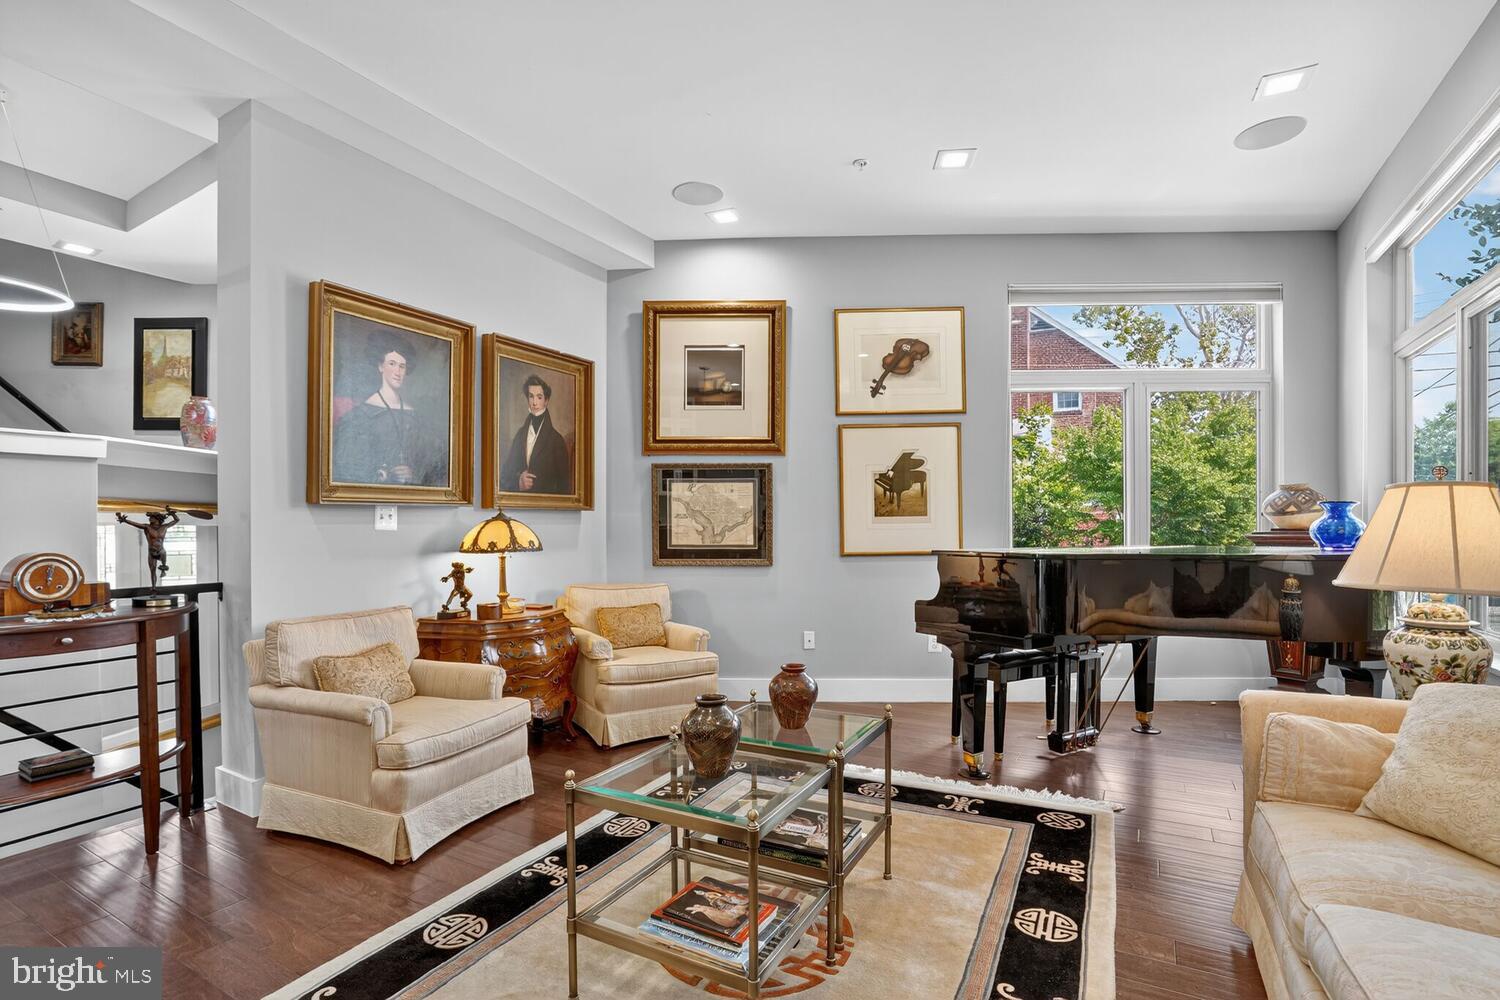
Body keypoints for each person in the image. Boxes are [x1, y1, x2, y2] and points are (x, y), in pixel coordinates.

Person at [332, 336, 443, 486]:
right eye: (392, 364)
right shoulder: (360, 414)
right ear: (380, 367)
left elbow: (430, 462)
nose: (398, 372)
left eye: (402, 366)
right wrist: (385, 474)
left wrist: (413, 473)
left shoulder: (415, 416)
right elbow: (347, 465)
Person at [499, 373, 571, 494]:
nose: (534, 403)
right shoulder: (520, 435)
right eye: (531, 396)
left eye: (539, 397)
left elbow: (564, 487)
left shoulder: (557, 440)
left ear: (546, 401)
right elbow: (504, 476)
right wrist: (518, 482)